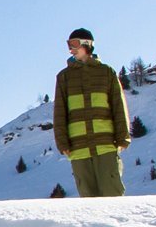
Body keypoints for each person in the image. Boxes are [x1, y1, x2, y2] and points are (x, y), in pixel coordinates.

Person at [54, 28, 130, 197]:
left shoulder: (106, 72)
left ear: (87, 44)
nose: (70, 49)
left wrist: (123, 137)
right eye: (68, 45)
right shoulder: (64, 77)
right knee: (88, 200)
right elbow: (59, 113)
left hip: (105, 145)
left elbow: (118, 106)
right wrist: (62, 143)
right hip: (78, 149)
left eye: (74, 44)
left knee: (113, 194)